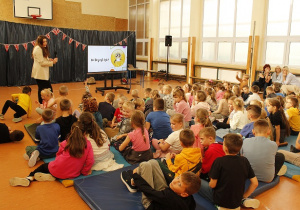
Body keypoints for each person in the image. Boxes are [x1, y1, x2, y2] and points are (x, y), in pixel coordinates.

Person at [10, 122, 94, 187]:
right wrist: (85, 171)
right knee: (58, 169)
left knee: (43, 167)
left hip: (57, 169)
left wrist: (57, 163)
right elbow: (90, 160)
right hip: (73, 174)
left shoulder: (66, 142)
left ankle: (29, 178)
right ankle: (52, 177)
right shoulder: (88, 144)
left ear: (72, 131)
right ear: (84, 133)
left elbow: (58, 154)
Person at [199, 133, 260, 209]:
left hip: (220, 199)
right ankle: (243, 200)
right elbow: (255, 183)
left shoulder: (219, 161)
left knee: (197, 181)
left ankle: (219, 206)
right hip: (237, 199)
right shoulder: (244, 160)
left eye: (223, 143)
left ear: (225, 148)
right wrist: (243, 196)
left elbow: (212, 185)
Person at [121, 160, 201, 210]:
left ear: (184, 194)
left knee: (145, 165)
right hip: (163, 196)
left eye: (179, 184)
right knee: (153, 162)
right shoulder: (188, 197)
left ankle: (133, 183)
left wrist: (135, 175)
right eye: (178, 178)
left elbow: (148, 191)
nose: (175, 181)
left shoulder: (170, 197)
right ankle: (137, 177)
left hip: (151, 202)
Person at [31, 35, 58, 104]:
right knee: (44, 90)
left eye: (46, 41)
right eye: (43, 42)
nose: (45, 43)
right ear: (40, 42)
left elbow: (43, 59)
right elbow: (42, 62)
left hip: (43, 74)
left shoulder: (41, 48)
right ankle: (43, 105)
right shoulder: (38, 49)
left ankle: (46, 104)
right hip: (40, 74)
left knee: (45, 89)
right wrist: (52, 62)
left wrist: (49, 59)